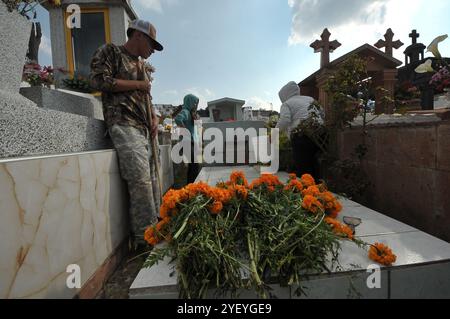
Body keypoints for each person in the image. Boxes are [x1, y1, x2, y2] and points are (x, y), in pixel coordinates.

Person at [89, 19, 164, 247]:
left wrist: (154, 117)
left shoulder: (141, 66)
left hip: (144, 127)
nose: (152, 50)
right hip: (123, 123)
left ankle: (157, 230)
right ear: (138, 36)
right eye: (151, 44)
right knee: (140, 181)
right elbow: (98, 80)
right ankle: (144, 239)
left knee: (153, 181)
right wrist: (139, 86)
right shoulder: (111, 52)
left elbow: (147, 98)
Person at [276, 81, 319, 177]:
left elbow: (285, 120)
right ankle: (317, 186)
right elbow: (321, 113)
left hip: (301, 135)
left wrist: (274, 133)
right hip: (320, 134)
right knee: (314, 162)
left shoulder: (287, 103)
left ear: (284, 95)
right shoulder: (310, 99)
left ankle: (306, 187)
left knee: (303, 165)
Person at [174, 94, 201, 184]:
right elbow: (178, 119)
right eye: (194, 103)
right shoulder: (185, 111)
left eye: (196, 103)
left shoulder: (190, 113)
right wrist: (185, 131)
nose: (195, 105)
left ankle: (191, 186)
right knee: (194, 166)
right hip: (187, 142)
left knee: (193, 166)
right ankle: (191, 187)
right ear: (189, 102)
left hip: (191, 142)